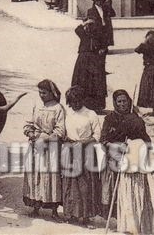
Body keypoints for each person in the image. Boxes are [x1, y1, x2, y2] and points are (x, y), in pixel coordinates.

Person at [99, 90, 152, 233]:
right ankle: (118, 220)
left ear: (129, 101)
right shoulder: (109, 118)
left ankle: (131, 221)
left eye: (125, 101)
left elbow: (145, 138)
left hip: (131, 159)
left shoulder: (134, 118)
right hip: (114, 158)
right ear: (115, 103)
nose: (122, 104)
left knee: (130, 191)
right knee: (113, 191)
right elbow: (103, 140)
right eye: (119, 101)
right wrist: (116, 146)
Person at [23, 79, 65, 221]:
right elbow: (29, 123)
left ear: (52, 93)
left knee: (51, 176)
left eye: (44, 92)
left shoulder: (58, 108)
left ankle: (53, 211)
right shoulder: (37, 106)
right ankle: (35, 207)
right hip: (35, 146)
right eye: (40, 92)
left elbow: (60, 130)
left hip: (51, 149)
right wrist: (31, 134)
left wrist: (46, 138)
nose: (41, 95)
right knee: (35, 175)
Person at [61, 87, 101, 228]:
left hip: (86, 152)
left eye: (78, 101)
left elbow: (97, 136)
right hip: (70, 150)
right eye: (72, 101)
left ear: (83, 100)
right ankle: (70, 214)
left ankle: (85, 217)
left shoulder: (91, 114)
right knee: (70, 184)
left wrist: (82, 142)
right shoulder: (67, 113)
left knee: (85, 185)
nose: (75, 104)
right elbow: (62, 130)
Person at [71, 19, 107, 113]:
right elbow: (77, 29)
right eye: (89, 25)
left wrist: (102, 50)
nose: (90, 27)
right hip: (83, 61)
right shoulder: (83, 34)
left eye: (92, 25)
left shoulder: (99, 35)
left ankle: (96, 107)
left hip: (95, 61)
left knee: (95, 84)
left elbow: (105, 46)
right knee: (83, 82)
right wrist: (84, 23)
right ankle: (81, 104)